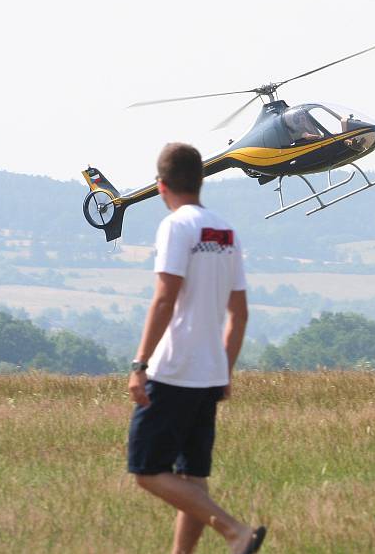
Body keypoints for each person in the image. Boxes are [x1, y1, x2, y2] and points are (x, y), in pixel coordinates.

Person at [127, 142, 267, 554]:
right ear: (201, 180)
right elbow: (239, 314)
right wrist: (225, 370)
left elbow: (165, 298)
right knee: (192, 478)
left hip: (174, 369)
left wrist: (140, 364)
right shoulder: (226, 232)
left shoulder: (175, 226)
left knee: (146, 470)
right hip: (209, 373)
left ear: (160, 187)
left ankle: (235, 532)